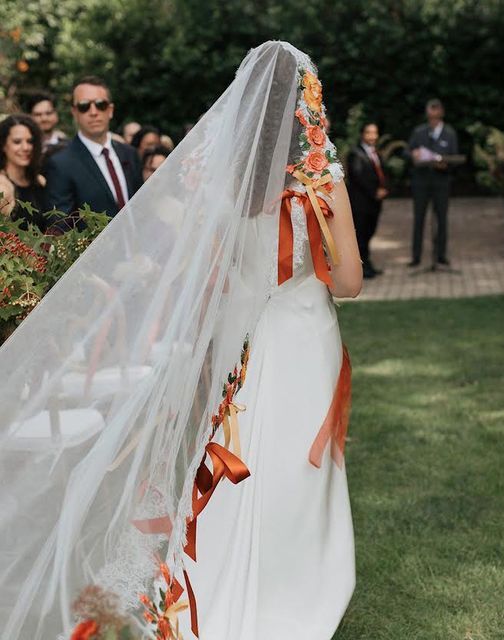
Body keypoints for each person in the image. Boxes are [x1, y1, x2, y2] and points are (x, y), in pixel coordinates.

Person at [0, 42, 361, 640]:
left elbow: (209, 279)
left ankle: (224, 574)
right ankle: (300, 586)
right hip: (304, 334)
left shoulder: (222, 182)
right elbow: (348, 284)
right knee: (299, 460)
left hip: (242, 341)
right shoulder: (322, 183)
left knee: (246, 452)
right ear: (306, 102)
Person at [45, 75, 143, 220]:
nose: (93, 112)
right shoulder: (61, 164)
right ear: (74, 112)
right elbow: (61, 226)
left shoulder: (129, 153)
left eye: (100, 104)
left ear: (110, 110)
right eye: (84, 106)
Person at [407, 98, 458, 266]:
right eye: (431, 116)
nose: (433, 119)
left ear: (441, 114)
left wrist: (446, 165)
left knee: (441, 219)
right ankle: (416, 256)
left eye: (436, 115)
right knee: (419, 219)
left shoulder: (449, 134)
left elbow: (454, 158)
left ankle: (441, 255)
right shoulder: (419, 132)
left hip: (441, 183)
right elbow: (407, 152)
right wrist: (412, 155)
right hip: (421, 182)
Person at [347, 122, 388, 278]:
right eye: (369, 132)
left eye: (375, 132)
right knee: (361, 235)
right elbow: (357, 177)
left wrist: (384, 189)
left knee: (369, 233)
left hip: (374, 203)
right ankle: (360, 268)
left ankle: (367, 263)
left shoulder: (375, 153)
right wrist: (374, 192)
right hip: (361, 203)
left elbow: (382, 173)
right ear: (363, 134)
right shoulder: (356, 154)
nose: (372, 136)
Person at [0, 114, 47, 230]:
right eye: (17, 142)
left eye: (30, 141)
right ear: (3, 145)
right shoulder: (3, 189)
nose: (26, 147)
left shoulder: (39, 181)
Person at [26, 91, 68, 158]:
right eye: (38, 115)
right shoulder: (25, 147)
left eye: (48, 113)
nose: (44, 118)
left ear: (56, 115)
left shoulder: (67, 145)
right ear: (30, 117)